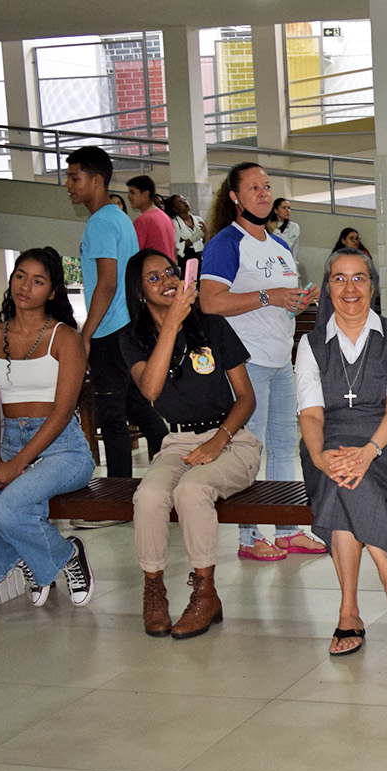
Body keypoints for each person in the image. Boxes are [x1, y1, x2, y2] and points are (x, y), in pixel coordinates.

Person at [0, 248, 95, 607]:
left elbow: (63, 412)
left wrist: (17, 464)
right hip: (9, 444)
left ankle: (69, 554)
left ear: (52, 292)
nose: (26, 286)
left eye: (38, 281)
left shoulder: (66, 338)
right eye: (20, 276)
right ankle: (33, 557)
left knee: (7, 511)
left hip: (63, 449)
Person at [120, 250, 260, 639]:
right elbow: (151, 390)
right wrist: (171, 325)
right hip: (177, 442)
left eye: (170, 272)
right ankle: (154, 591)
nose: (167, 280)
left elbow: (246, 397)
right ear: (139, 291)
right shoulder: (132, 339)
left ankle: (205, 594)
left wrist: (218, 441)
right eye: (154, 278)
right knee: (148, 496)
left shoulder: (211, 325)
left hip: (232, 440)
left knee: (192, 490)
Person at [296, 249, 387, 656]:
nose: (349, 288)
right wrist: (318, 456)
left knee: (346, 479)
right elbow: (311, 415)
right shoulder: (311, 344)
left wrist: (369, 451)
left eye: (359, 278)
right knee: (341, 476)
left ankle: (350, 609)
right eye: (339, 278)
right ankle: (386, 574)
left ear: (372, 286)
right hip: (328, 444)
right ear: (326, 288)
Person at [199, 162, 323, 561]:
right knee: (249, 451)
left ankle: (286, 528)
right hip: (246, 363)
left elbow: (281, 301)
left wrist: (299, 300)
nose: (264, 193)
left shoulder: (279, 245)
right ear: (235, 197)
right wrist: (270, 296)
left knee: (284, 447)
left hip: (280, 359)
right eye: (253, 187)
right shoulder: (225, 243)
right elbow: (210, 301)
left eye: (267, 186)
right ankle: (249, 535)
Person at [66, 145, 166, 483]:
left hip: (110, 330)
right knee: (135, 405)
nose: (68, 184)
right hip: (127, 325)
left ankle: (118, 492)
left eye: (74, 177)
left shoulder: (100, 223)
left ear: (96, 180)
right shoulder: (120, 217)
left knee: (111, 416)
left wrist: (86, 334)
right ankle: (174, 464)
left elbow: (107, 283)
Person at [126, 175, 175, 258]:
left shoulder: (143, 221)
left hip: (153, 265)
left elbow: (135, 253)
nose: (129, 197)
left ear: (145, 194)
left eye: (132, 193)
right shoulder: (165, 217)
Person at [167, 193, 206, 263]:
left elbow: (206, 238)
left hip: (201, 255)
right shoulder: (174, 223)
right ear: (175, 209)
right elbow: (176, 247)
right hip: (186, 259)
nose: (185, 202)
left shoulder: (198, 219)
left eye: (184, 199)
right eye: (180, 202)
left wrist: (206, 232)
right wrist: (197, 235)